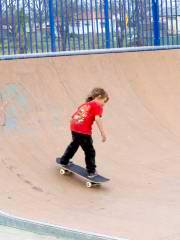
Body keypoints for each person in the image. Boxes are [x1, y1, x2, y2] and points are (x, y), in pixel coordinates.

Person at [56, 87, 109, 178]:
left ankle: (64, 160)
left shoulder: (85, 105)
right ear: (99, 97)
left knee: (74, 145)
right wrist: (103, 133)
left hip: (74, 127)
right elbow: (97, 119)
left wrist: (75, 127)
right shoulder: (97, 106)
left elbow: (73, 117)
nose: (104, 104)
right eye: (104, 101)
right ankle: (91, 171)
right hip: (83, 132)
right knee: (90, 152)